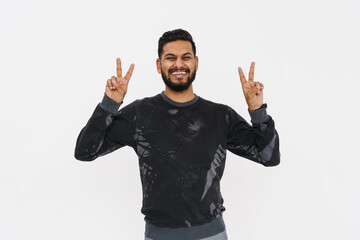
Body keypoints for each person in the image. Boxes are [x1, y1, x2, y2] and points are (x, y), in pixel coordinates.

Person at [74, 29, 280, 240]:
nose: (178, 64)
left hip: (212, 234)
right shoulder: (140, 114)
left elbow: (268, 157)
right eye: (170, 58)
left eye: (186, 57)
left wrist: (258, 111)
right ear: (158, 65)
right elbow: (85, 151)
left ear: (196, 63)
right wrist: (110, 104)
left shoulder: (220, 116)